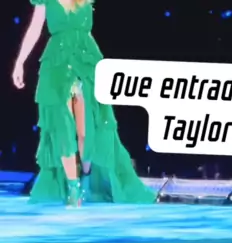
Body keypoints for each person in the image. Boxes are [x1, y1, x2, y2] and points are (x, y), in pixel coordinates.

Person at [12, 0, 156, 207]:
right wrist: (20, 62)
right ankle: (73, 187)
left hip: (86, 60)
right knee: (62, 126)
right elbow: (35, 28)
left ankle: (86, 180)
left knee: (85, 131)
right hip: (57, 64)